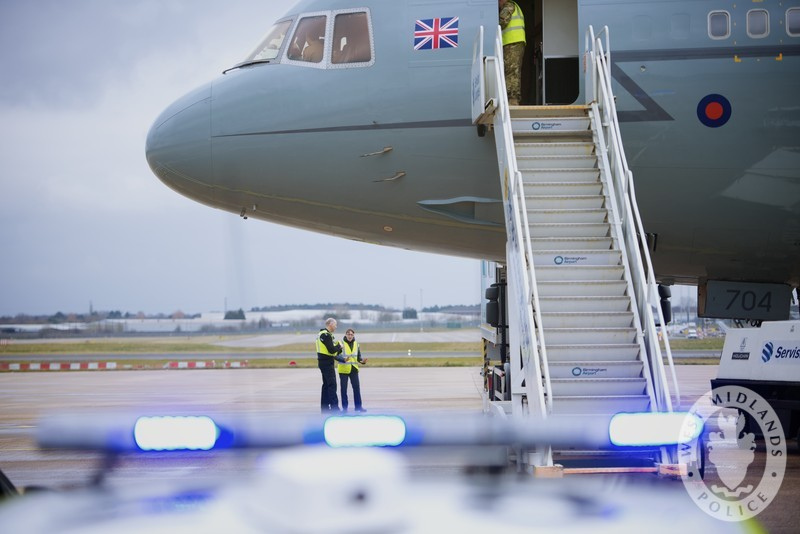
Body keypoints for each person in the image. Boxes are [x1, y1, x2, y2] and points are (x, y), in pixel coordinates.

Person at [499, 0, 526, 105]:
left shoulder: (509, 5)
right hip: (512, 43)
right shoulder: (513, 6)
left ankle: (513, 100)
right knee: (511, 71)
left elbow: (503, 21)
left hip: (513, 42)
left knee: (511, 71)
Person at [316, 318, 346, 412]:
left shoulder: (324, 334)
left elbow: (333, 350)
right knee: (332, 385)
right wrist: (339, 346)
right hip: (327, 363)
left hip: (324, 362)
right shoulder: (326, 335)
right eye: (335, 325)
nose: (336, 327)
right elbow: (331, 350)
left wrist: (338, 348)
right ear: (330, 324)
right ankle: (334, 408)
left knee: (326, 385)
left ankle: (324, 408)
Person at [338, 328, 368, 412]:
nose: (350, 336)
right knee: (343, 389)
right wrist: (343, 359)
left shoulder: (356, 344)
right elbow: (336, 355)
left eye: (351, 334)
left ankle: (358, 407)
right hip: (344, 369)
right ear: (345, 334)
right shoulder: (341, 343)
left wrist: (362, 362)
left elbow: (358, 357)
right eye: (348, 334)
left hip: (354, 369)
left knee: (356, 388)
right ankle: (345, 408)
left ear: (353, 335)